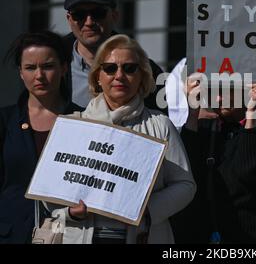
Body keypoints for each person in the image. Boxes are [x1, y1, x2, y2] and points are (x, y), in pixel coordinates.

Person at [47, 34, 196, 244]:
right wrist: (70, 212)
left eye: (129, 68)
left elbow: (185, 185)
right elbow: (46, 190)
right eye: (110, 68)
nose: (119, 75)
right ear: (97, 76)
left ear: (142, 76)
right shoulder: (71, 126)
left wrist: (145, 210)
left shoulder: (160, 124)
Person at [170, 72, 256, 243]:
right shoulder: (204, 129)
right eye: (213, 90)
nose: (219, 99)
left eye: (228, 90)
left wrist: (252, 117)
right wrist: (192, 114)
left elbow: (244, 177)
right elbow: (186, 176)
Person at [0, 31, 81, 243]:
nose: (39, 75)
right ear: (20, 72)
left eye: (47, 66)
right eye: (30, 67)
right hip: (11, 234)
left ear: (64, 68)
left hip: (68, 234)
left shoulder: (84, 120)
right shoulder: (4, 121)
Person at [63, 0, 165, 112]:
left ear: (115, 16)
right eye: (79, 15)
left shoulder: (147, 69)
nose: (89, 22)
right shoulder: (51, 64)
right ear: (69, 19)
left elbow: (163, 120)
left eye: (98, 13)